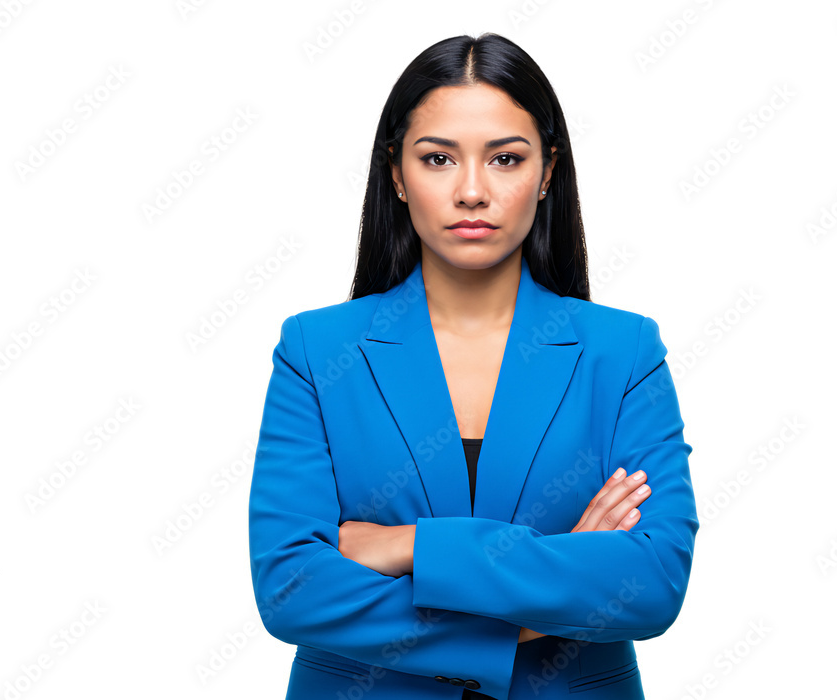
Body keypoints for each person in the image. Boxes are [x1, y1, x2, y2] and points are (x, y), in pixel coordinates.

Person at [248, 32, 699, 700]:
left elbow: (651, 582)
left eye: (505, 159)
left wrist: (409, 546)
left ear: (547, 172)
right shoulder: (317, 350)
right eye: (438, 159)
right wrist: (549, 592)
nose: (471, 191)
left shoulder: (623, 351)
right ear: (396, 174)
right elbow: (292, 588)